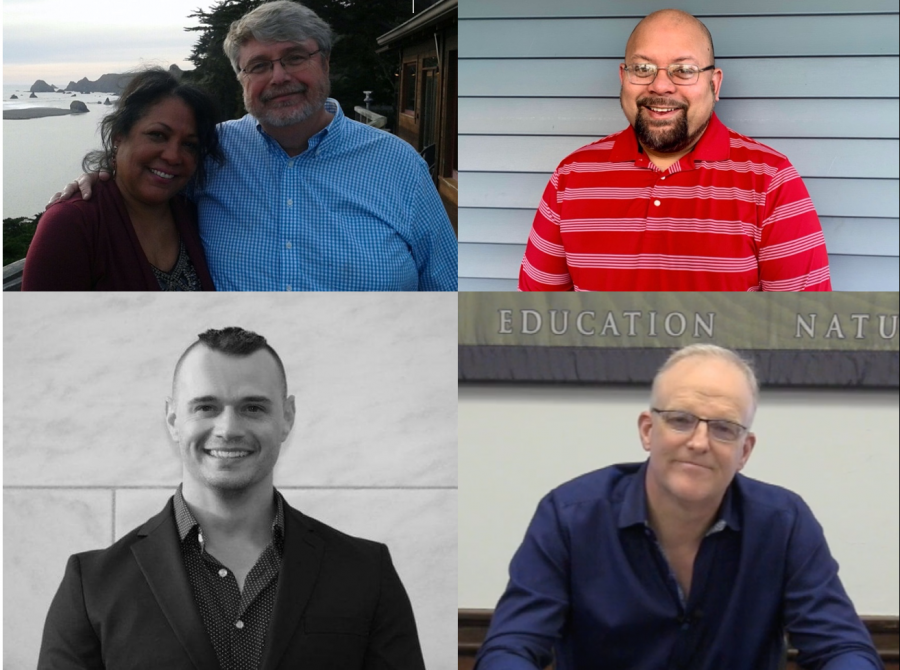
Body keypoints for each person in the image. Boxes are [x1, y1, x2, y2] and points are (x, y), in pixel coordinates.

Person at [37, 327, 426, 669]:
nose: (228, 429)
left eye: (252, 408)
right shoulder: (91, 586)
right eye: (206, 407)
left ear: (287, 417)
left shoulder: (365, 573)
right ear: (174, 420)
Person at [475, 344, 881, 669]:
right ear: (648, 431)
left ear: (745, 451)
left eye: (724, 428)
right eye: (681, 419)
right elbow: (513, 646)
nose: (699, 442)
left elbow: (839, 647)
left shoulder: (784, 523)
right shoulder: (570, 517)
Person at [56, 1, 458, 291]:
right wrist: (100, 178)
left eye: (295, 57)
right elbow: (152, 177)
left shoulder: (397, 164)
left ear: (326, 64)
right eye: (260, 66)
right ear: (241, 79)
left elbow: (448, 288)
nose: (279, 77)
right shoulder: (212, 151)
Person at [518, 9, 832, 291]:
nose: (661, 85)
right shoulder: (571, 177)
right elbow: (533, 320)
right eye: (642, 68)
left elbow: (803, 334)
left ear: (715, 84)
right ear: (623, 77)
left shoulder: (771, 182)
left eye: (684, 70)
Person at [23, 68, 221, 291]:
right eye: (157, 135)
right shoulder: (73, 224)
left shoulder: (193, 214)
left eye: (189, 145)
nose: (173, 156)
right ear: (119, 137)